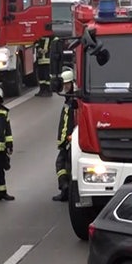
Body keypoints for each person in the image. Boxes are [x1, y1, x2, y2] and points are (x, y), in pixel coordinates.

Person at [52, 70, 76, 202]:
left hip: (71, 139)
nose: (66, 87)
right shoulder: (69, 98)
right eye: (64, 84)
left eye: (68, 84)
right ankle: (65, 189)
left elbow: (72, 121)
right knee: (63, 165)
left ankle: (66, 190)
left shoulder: (74, 100)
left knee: (64, 165)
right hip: (67, 139)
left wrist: (70, 138)